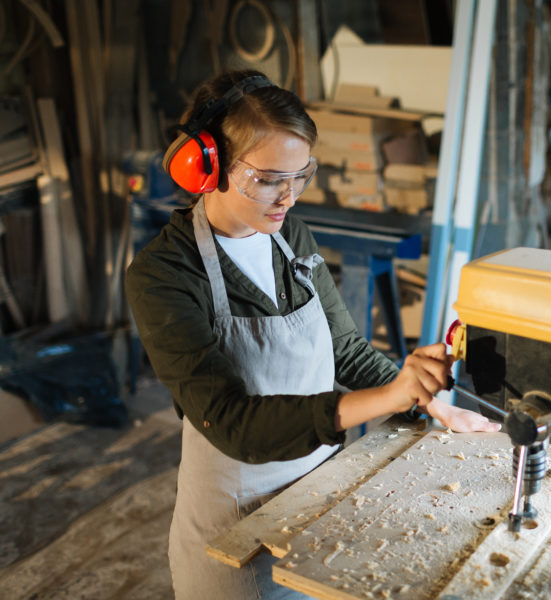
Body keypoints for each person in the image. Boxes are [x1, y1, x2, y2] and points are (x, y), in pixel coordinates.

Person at [125, 68, 499, 599]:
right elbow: (232, 424)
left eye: (301, 176)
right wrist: (388, 396)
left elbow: (345, 350)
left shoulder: (289, 235)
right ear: (209, 167)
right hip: (235, 533)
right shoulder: (164, 273)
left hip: (318, 504)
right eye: (269, 179)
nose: (289, 197)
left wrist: (430, 401)